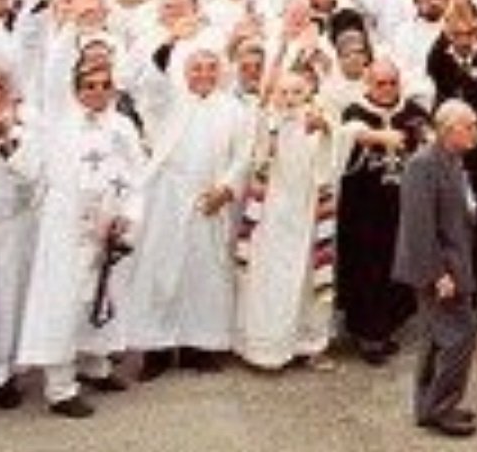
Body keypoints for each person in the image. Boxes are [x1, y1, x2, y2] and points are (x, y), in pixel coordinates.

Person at [13, 39, 146, 417]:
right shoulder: (57, 126)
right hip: (66, 227)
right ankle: (60, 387)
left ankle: (96, 365)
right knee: (65, 301)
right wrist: (8, 145)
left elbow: (137, 175)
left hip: (110, 224)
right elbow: (33, 168)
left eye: (105, 85)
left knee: (104, 295)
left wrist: (128, 216)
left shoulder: (123, 126)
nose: (98, 92)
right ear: (75, 90)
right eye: (89, 86)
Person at [124, 38, 247, 376]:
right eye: (196, 68)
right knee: (161, 271)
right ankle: (157, 351)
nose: (204, 74)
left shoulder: (233, 108)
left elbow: (243, 154)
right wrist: (168, 44)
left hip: (210, 198)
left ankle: (199, 347)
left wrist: (226, 188)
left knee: (205, 272)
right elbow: (150, 87)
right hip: (167, 197)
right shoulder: (170, 101)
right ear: (184, 71)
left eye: (211, 68)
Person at [232, 63, 342, 371]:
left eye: (297, 92)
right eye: (284, 92)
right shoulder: (266, 121)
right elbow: (257, 159)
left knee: (308, 275)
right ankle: (265, 348)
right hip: (272, 211)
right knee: (270, 276)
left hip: (307, 211)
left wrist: (325, 131)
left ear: (308, 93)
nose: (290, 98)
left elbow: (330, 161)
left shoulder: (318, 119)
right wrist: (272, 124)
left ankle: (308, 344)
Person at [392, 99, 477, 437]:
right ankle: (441, 407)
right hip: (439, 267)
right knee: (460, 335)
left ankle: (430, 406)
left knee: (436, 337)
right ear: (449, 129)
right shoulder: (423, 165)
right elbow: (419, 225)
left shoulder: (452, 160)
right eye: (470, 126)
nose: (476, 132)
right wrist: (437, 273)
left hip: (452, 261)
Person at [333, 58, 428, 362]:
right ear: (368, 84)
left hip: (402, 206)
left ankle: (385, 327)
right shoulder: (356, 111)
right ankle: (367, 334)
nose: (387, 90)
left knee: (396, 267)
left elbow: (429, 140)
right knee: (366, 268)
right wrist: (378, 137)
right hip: (364, 209)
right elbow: (351, 133)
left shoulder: (412, 112)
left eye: (392, 83)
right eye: (380, 83)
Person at [0, 63, 38, 407]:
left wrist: (3, 143)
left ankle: (3, 375)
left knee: (6, 302)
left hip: (8, 228)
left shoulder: (17, 135)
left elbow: (33, 176)